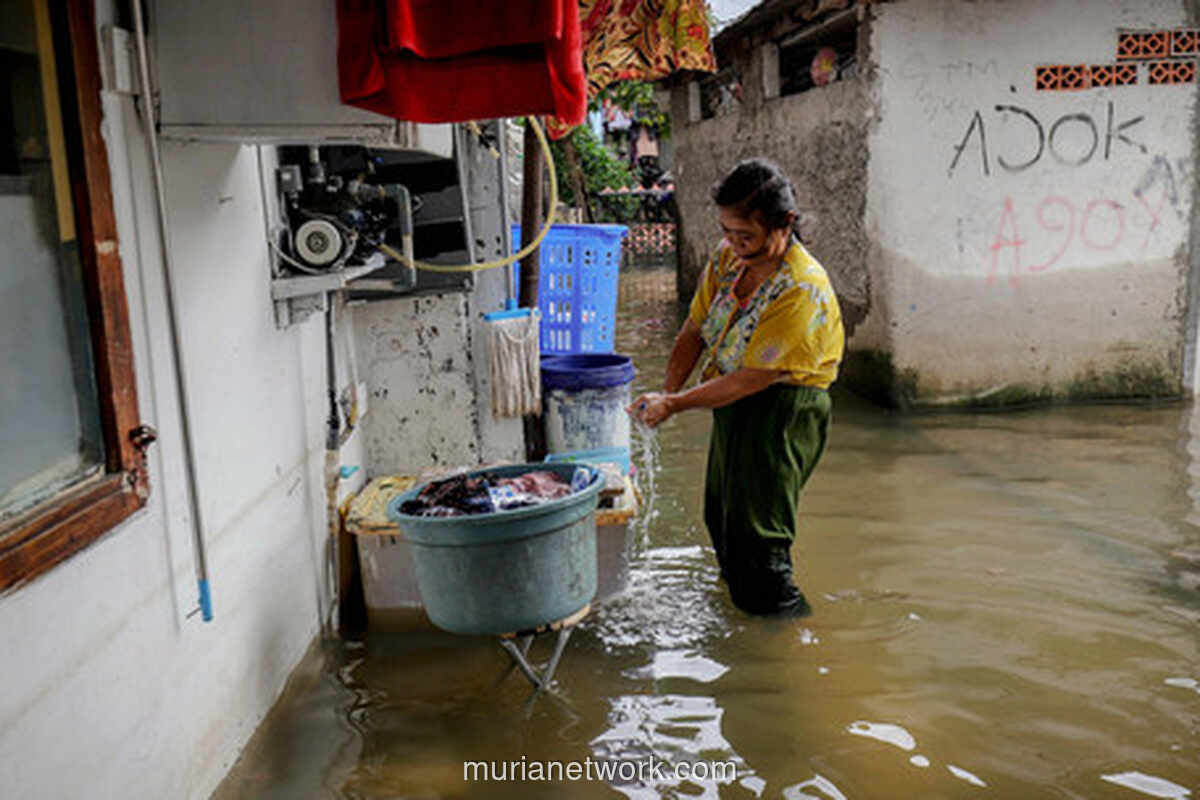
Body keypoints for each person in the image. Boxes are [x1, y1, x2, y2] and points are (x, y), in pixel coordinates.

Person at [627, 158, 844, 616]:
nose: (734, 245)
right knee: (721, 520)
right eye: (728, 232)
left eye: (745, 236)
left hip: (783, 410)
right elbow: (693, 331)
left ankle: (785, 641)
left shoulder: (801, 288)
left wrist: (677, 404)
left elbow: (754, 377)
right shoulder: (727, 260)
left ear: (783, 224)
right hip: (731, 399)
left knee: (759, 539)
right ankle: (745, 618)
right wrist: (667, 395)